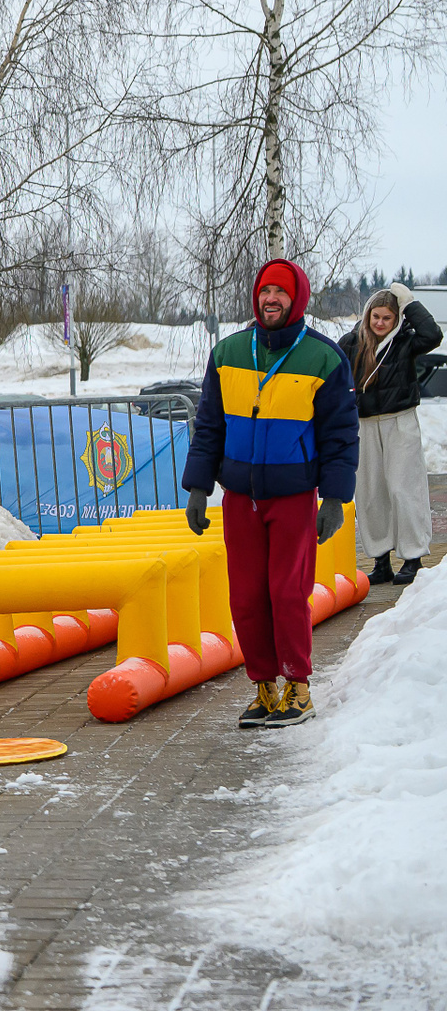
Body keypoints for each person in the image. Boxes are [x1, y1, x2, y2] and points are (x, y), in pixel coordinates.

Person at [181, 258, 359, 730]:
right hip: (240, 498)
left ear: (296, 299)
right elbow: (209, 426)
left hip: (293, 496)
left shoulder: (324, 358)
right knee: (246, 597)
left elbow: (341, 437)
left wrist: (335, 499)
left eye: (280, 292)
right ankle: (264, 687)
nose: (271, 299)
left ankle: (298, 686)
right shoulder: (227, 353)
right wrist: (198, 487)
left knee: (287, 593)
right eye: (265, 291)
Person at [337, 283, 440, 585]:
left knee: (403, 489)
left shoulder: (405, 342)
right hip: (364, 424)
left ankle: (413, 557)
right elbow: (332, 372)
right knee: (370, 492)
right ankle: (380, 560)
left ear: (396, 319)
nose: (380, 323)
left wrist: (409, 304)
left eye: (387, 318)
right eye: (376, 317)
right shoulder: (351, 342)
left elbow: (433, 335)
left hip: (399, 421)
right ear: (367, 315)